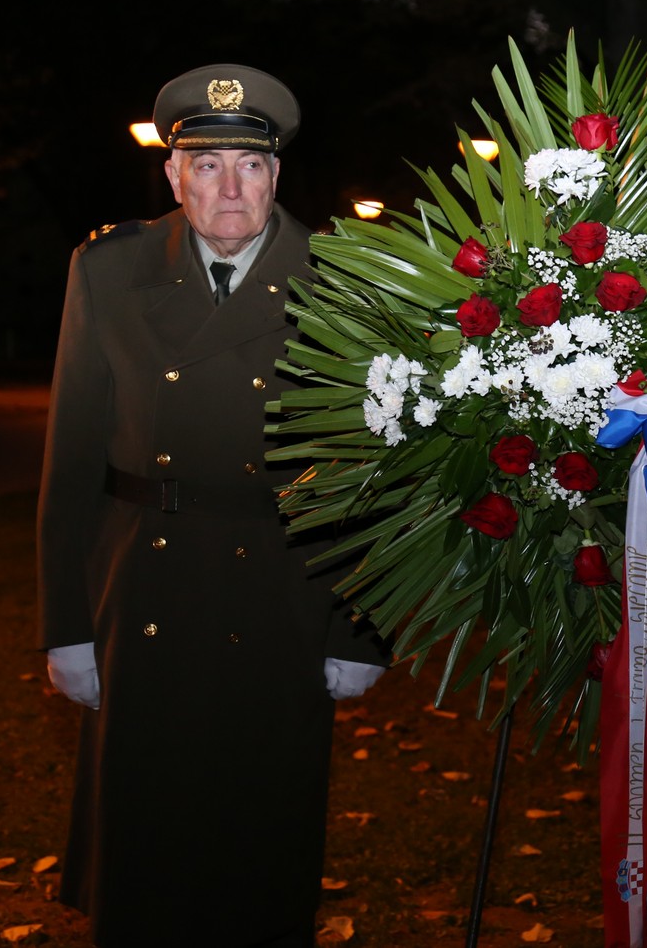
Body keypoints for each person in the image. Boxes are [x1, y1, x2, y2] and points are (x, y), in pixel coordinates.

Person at [37, 64, 390, 948]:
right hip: (142, 587)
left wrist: (360, 628)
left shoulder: (343, 278)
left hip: (284, 588)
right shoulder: (108, 269)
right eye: (207, 165)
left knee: (261, 838)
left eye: (250, 165)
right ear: (173, 175)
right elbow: (71, 459)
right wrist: (66, 625)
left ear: (276, 175)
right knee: (144, 838)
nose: (230, 189)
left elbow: (370, 466)